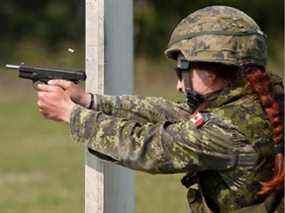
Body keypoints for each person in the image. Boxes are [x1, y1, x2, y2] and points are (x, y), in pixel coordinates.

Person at [36, 6, 284, 213]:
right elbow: (170, 113)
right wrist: (91, 101)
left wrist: (70, 114)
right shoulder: (260, 101)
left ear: (210, 72)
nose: (178, 85)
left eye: (181, 73)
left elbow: (146, 146)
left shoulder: (225, 132)